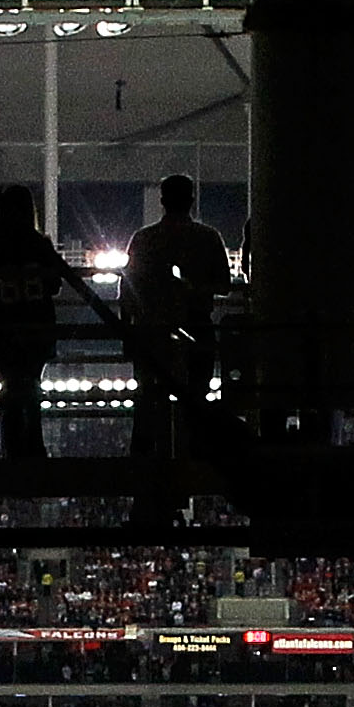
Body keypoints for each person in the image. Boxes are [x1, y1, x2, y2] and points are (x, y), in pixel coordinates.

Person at [124, 173, 230, 513]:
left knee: (148, 396)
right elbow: (224, 285)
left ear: (162, 200)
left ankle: (144, 451)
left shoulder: (144, 239)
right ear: (192, 200)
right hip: (197, 327)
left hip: (151, 331)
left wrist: (131, 329)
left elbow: (127, 289)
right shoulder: (207, 238)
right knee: (195, 394)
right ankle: (194, 449)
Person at [0, 187, 61, 459]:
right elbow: (54, 284)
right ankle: (34, 447)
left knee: (8, 387)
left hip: (2, 327)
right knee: (32, 385)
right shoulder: (40, 245)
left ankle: (12, 448)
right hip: (37, 326)